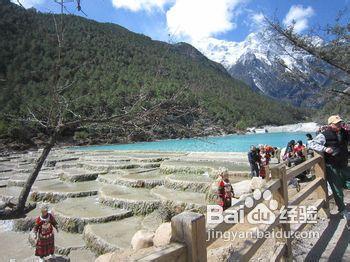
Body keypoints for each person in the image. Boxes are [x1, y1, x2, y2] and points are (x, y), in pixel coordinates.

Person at [308, 115, 350, 221]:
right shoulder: (324, 135)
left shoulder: (344, 132)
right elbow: (311, 143)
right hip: (332, 166)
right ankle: (343, 210)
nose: (339, 124)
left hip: (344, 164)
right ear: (330, 124)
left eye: (339, 122)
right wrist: (324, 148)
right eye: (336, 123)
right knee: (337, 190)